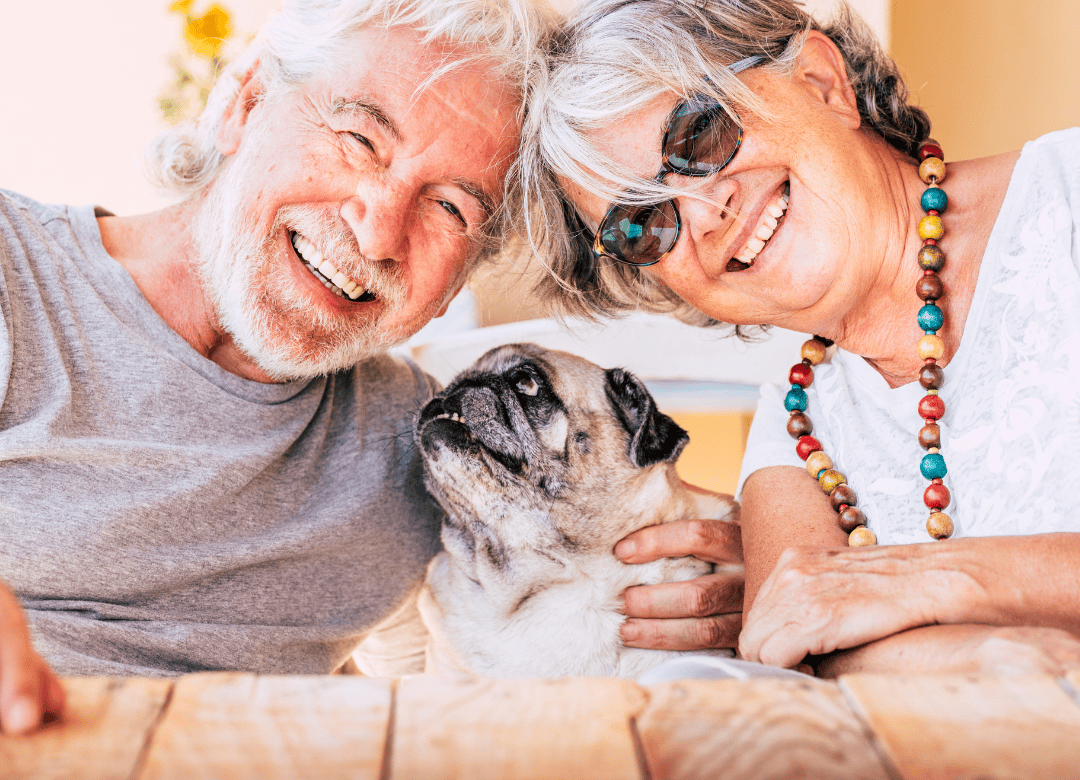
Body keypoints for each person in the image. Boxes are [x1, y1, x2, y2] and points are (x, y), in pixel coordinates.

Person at [0, 0, 747, 737]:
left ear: (463, 276)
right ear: (244, 100)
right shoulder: (15, 271)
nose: (378, 229)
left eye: (451, 207)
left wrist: (738, 565)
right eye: (359, 139)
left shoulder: (430, 446)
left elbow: (427, 657)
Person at [522, 0, 1080, 678]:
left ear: (823, 82)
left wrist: (944, 579)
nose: (703, 214)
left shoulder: (1068, 196)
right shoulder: (797, 426)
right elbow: (806, 646)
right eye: (642, 224)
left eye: (700, 137)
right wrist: (993, 647)